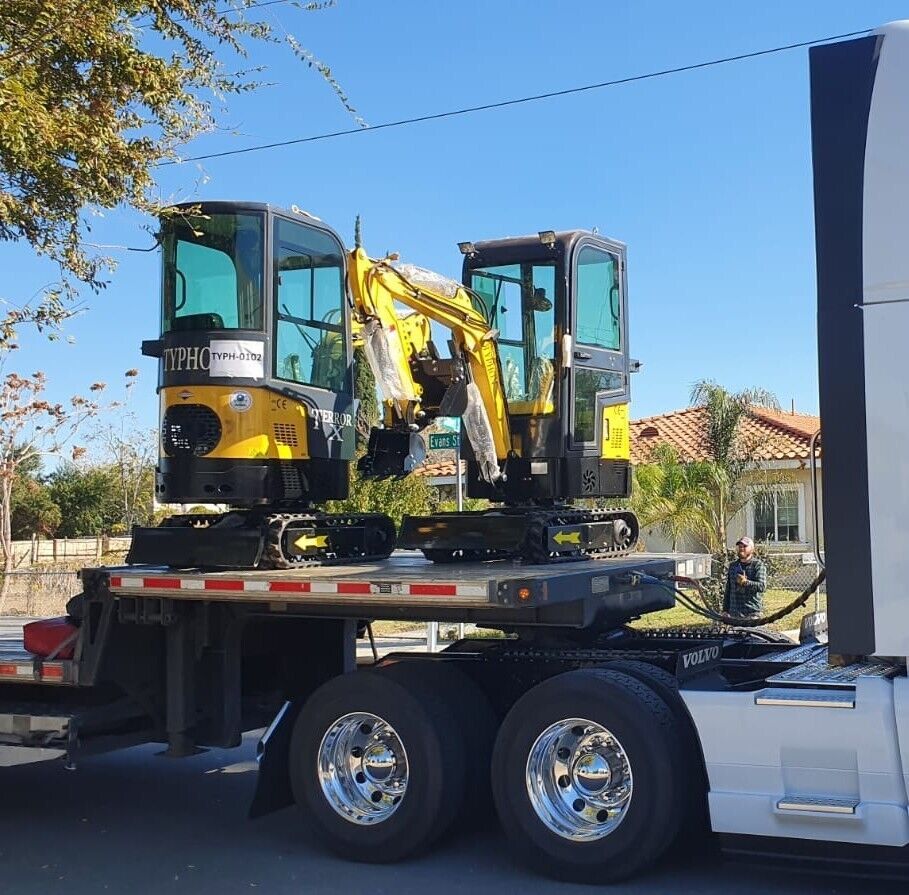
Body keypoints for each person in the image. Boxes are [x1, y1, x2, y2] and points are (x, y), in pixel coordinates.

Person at [724, 536, 767, 617]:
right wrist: (725, 610)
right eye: (740, 546)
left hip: (752, 613)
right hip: (734, 613)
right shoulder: (733, 566)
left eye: (745, 546)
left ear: (752, 549)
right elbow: (728, 589)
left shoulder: (757, 565)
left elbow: (762, 586)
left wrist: (745, 583)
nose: (741, 548)